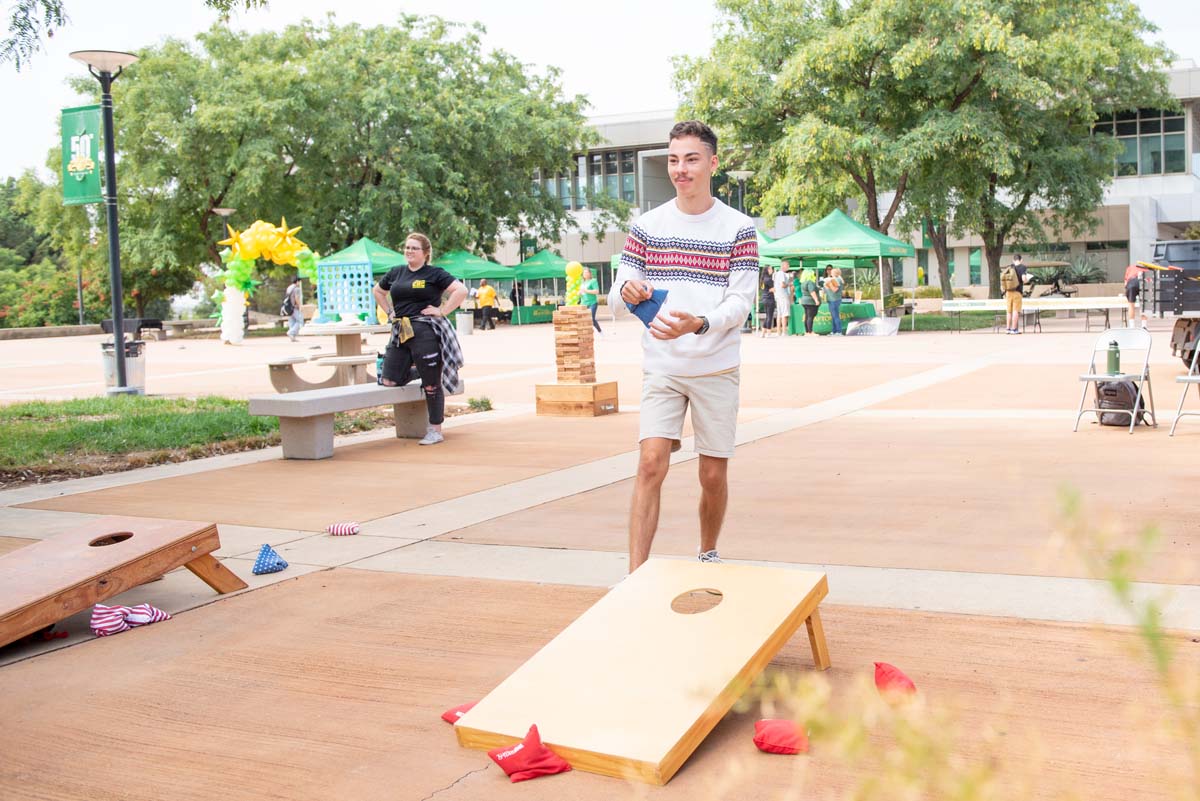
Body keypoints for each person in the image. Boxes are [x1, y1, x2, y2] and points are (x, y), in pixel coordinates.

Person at [609, 120, 757, 573]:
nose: (681, 169)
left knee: (712, 474)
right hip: (663, 367)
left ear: (713, 163)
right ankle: (635, 575)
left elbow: (741, 302)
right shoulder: (647, 227)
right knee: (650, 463)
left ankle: (708, 552)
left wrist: (700, 324)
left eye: (691, 159)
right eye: (674, 160)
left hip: (716, 367)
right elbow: (616, 298)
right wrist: (628, 291)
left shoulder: (739, 227)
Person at [372, 233, 468, 446]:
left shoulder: (434, 273)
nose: (409, 251)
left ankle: (435, 430)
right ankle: (421, 372)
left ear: (425, 253)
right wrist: (389, 311)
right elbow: (378, 291)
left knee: (431, 385)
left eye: (414, 248)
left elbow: (461, 290)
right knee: (389, 381)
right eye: (407, 247)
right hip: (401, 330)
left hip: (425, 331)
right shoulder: (396, 272)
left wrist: (442, 311)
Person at [1001, 254, 1028, 334]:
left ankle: (1008, 329)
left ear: (1013, 260)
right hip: (1017, 291)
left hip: (1008, 291)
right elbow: (1023, 279)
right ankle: (1014, 329)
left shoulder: (1010, 267)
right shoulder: (1022, 267)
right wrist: (1026, 280)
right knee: (1015, 310)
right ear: (1021, 260)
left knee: (1009, 311)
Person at [824, 265, 845, 335]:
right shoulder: (836, 279)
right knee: (833, 316)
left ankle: (839, 331)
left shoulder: (837, 279)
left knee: (835, 316)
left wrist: (828, 284)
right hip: (832, 299)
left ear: (835, 273)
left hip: (834, 299)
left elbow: (835, 290)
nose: (830, 273)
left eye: (832, 272)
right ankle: (834, 331)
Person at [798, 268, 821, 335]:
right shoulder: (810, 282)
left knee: (807, 316)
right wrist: (816, 300)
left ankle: (807, 332)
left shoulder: (803, 283)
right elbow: (812, 292)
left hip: (804, 301)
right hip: (810, 302)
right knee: (810, 317)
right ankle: (810, 332)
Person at [581, 266, 603, 334]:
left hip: (592, 303)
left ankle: (600, 331)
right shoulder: (582, 282)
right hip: (583, 303)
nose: (585, 274)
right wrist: (579, 293)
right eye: (584, 273)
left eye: (587, 272)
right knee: (583, 319)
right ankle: (587, 333)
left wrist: (586, 291)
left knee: (591, 318)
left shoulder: (593, 281)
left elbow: (596, 291)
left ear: (590, 273)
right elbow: (582, 292)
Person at [772, 261, 791, 336]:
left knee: (779, 314)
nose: (788, 267)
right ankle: (784, 332)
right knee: (784, 314)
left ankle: (778, 332)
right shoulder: (782, 274)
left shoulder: (776, 274)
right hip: (783, 295)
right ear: (783, 266)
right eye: (787, 265)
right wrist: (789, 284)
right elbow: (783, 285)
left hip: (778, 296)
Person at [1124, 263, 1146, 328]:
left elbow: (1125, 283)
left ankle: (1132, 326)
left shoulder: (1130, 268)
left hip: (1132, 282)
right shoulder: (1147, 269)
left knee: (1131, 305)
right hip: (1143, 281)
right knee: (1144, 305)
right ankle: (1144, 326)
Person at [283, 276, 304, 341]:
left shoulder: (289, 287)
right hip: (295, 307)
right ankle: (291, 332)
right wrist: (300, 306)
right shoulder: (297, 289)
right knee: (300, 321)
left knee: (292, 321)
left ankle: (292, 337)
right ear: (297, 281)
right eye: (299, 282)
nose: (299, 283)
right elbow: (296, 298)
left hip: (289, 307)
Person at [758, 264, 776, 336]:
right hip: (770, 299)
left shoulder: (763, 279)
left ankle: (763, 333)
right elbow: (774, 289)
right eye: (771, 269)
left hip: (764, 298)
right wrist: (773, 289)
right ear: (768, 270)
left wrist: (771, 289)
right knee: (770, 316)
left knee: (767, 316)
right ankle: (769, 332)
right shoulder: (769, 279)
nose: (772, 270)